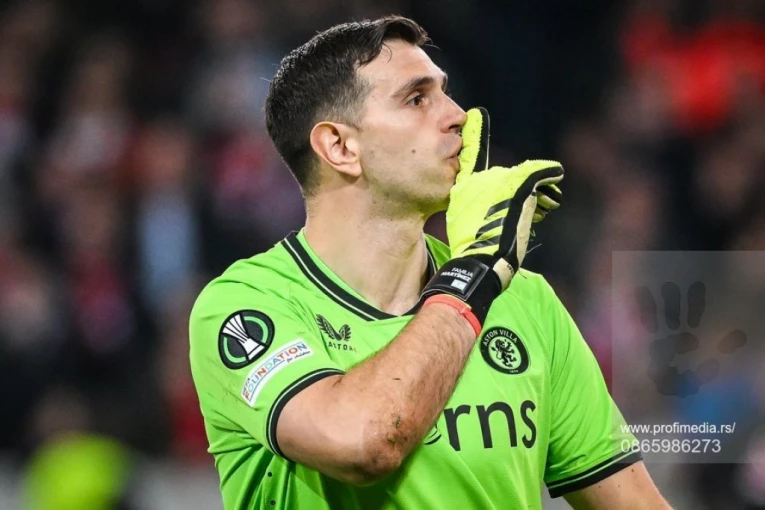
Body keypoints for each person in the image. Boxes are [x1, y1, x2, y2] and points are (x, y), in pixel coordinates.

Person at [189, 15, 671, 509]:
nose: (459, 115)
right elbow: (364, 443)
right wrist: (473, 274)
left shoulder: (524, 300)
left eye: (446, 92)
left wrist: (479, 275)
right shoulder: (245, 307)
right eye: (417, 99)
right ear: (340, 146)